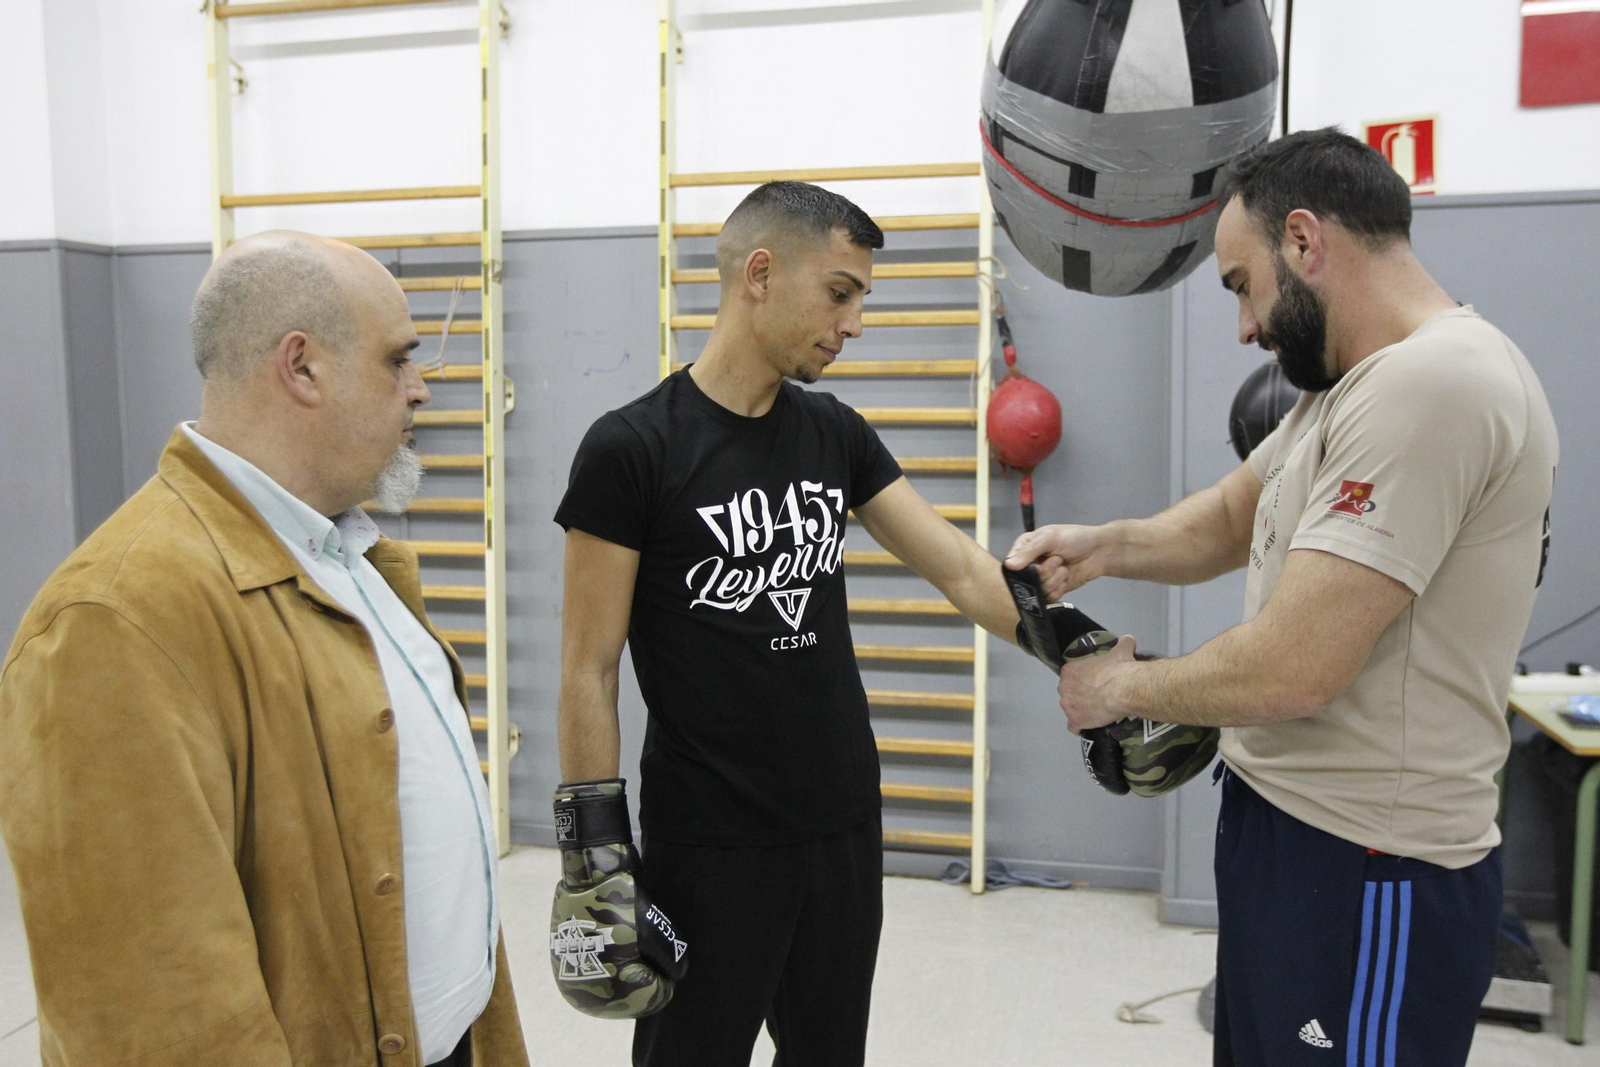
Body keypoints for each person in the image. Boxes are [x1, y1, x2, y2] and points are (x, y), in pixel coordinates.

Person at [1007, 127, 1558, 1066]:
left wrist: (1123, 689)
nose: (1244, 326)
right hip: (1286, 833)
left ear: (1304, 242)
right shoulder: (1343, 388)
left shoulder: (1437, 382)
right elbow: (1232, 514)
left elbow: (1300, 667)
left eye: (1239, 284)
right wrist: (1107, 547)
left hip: (1375, 865)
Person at [0, 231, 528, 1067]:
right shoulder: (112, 619)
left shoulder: (346, 556)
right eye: (399, 361)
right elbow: (154, 1014)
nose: (420, 391)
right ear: (303, 367)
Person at [552, 181, 1022, 1065]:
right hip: (711, 842)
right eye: (840, 292)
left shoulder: (833, 432)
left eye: (861, 300)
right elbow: (588, 664)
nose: (853, 323)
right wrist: (595, 856)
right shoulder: (632, 449)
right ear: (759, 274)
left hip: (842, 825)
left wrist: (1084, 649)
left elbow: (960, 567)